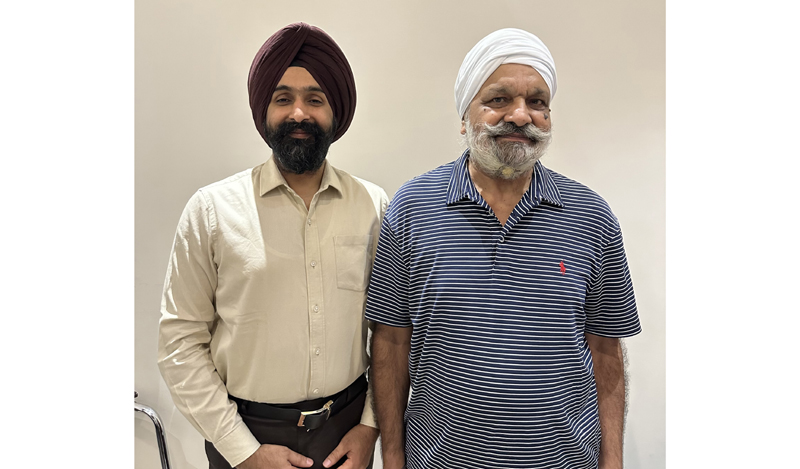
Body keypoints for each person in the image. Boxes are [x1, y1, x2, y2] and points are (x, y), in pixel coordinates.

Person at [366, 28, 642, 469]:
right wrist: (393, 460)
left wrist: (613, 462)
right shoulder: (413, 209)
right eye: (498, 100)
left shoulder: (591, 216)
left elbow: (605, 348)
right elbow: (391, 343)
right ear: (464, 116)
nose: (520, 116)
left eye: (537, 102)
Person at [157, 22, 386, 469]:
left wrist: (370, 426)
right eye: (283, 98)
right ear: (264, 109)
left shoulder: (374, 206)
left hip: (347, 436)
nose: (298, 113)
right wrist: (243, 452)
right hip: (243, 436)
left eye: (314, 99)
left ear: (335, 112)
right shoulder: (211, 211)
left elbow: (391, 332)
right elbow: (179, 344)